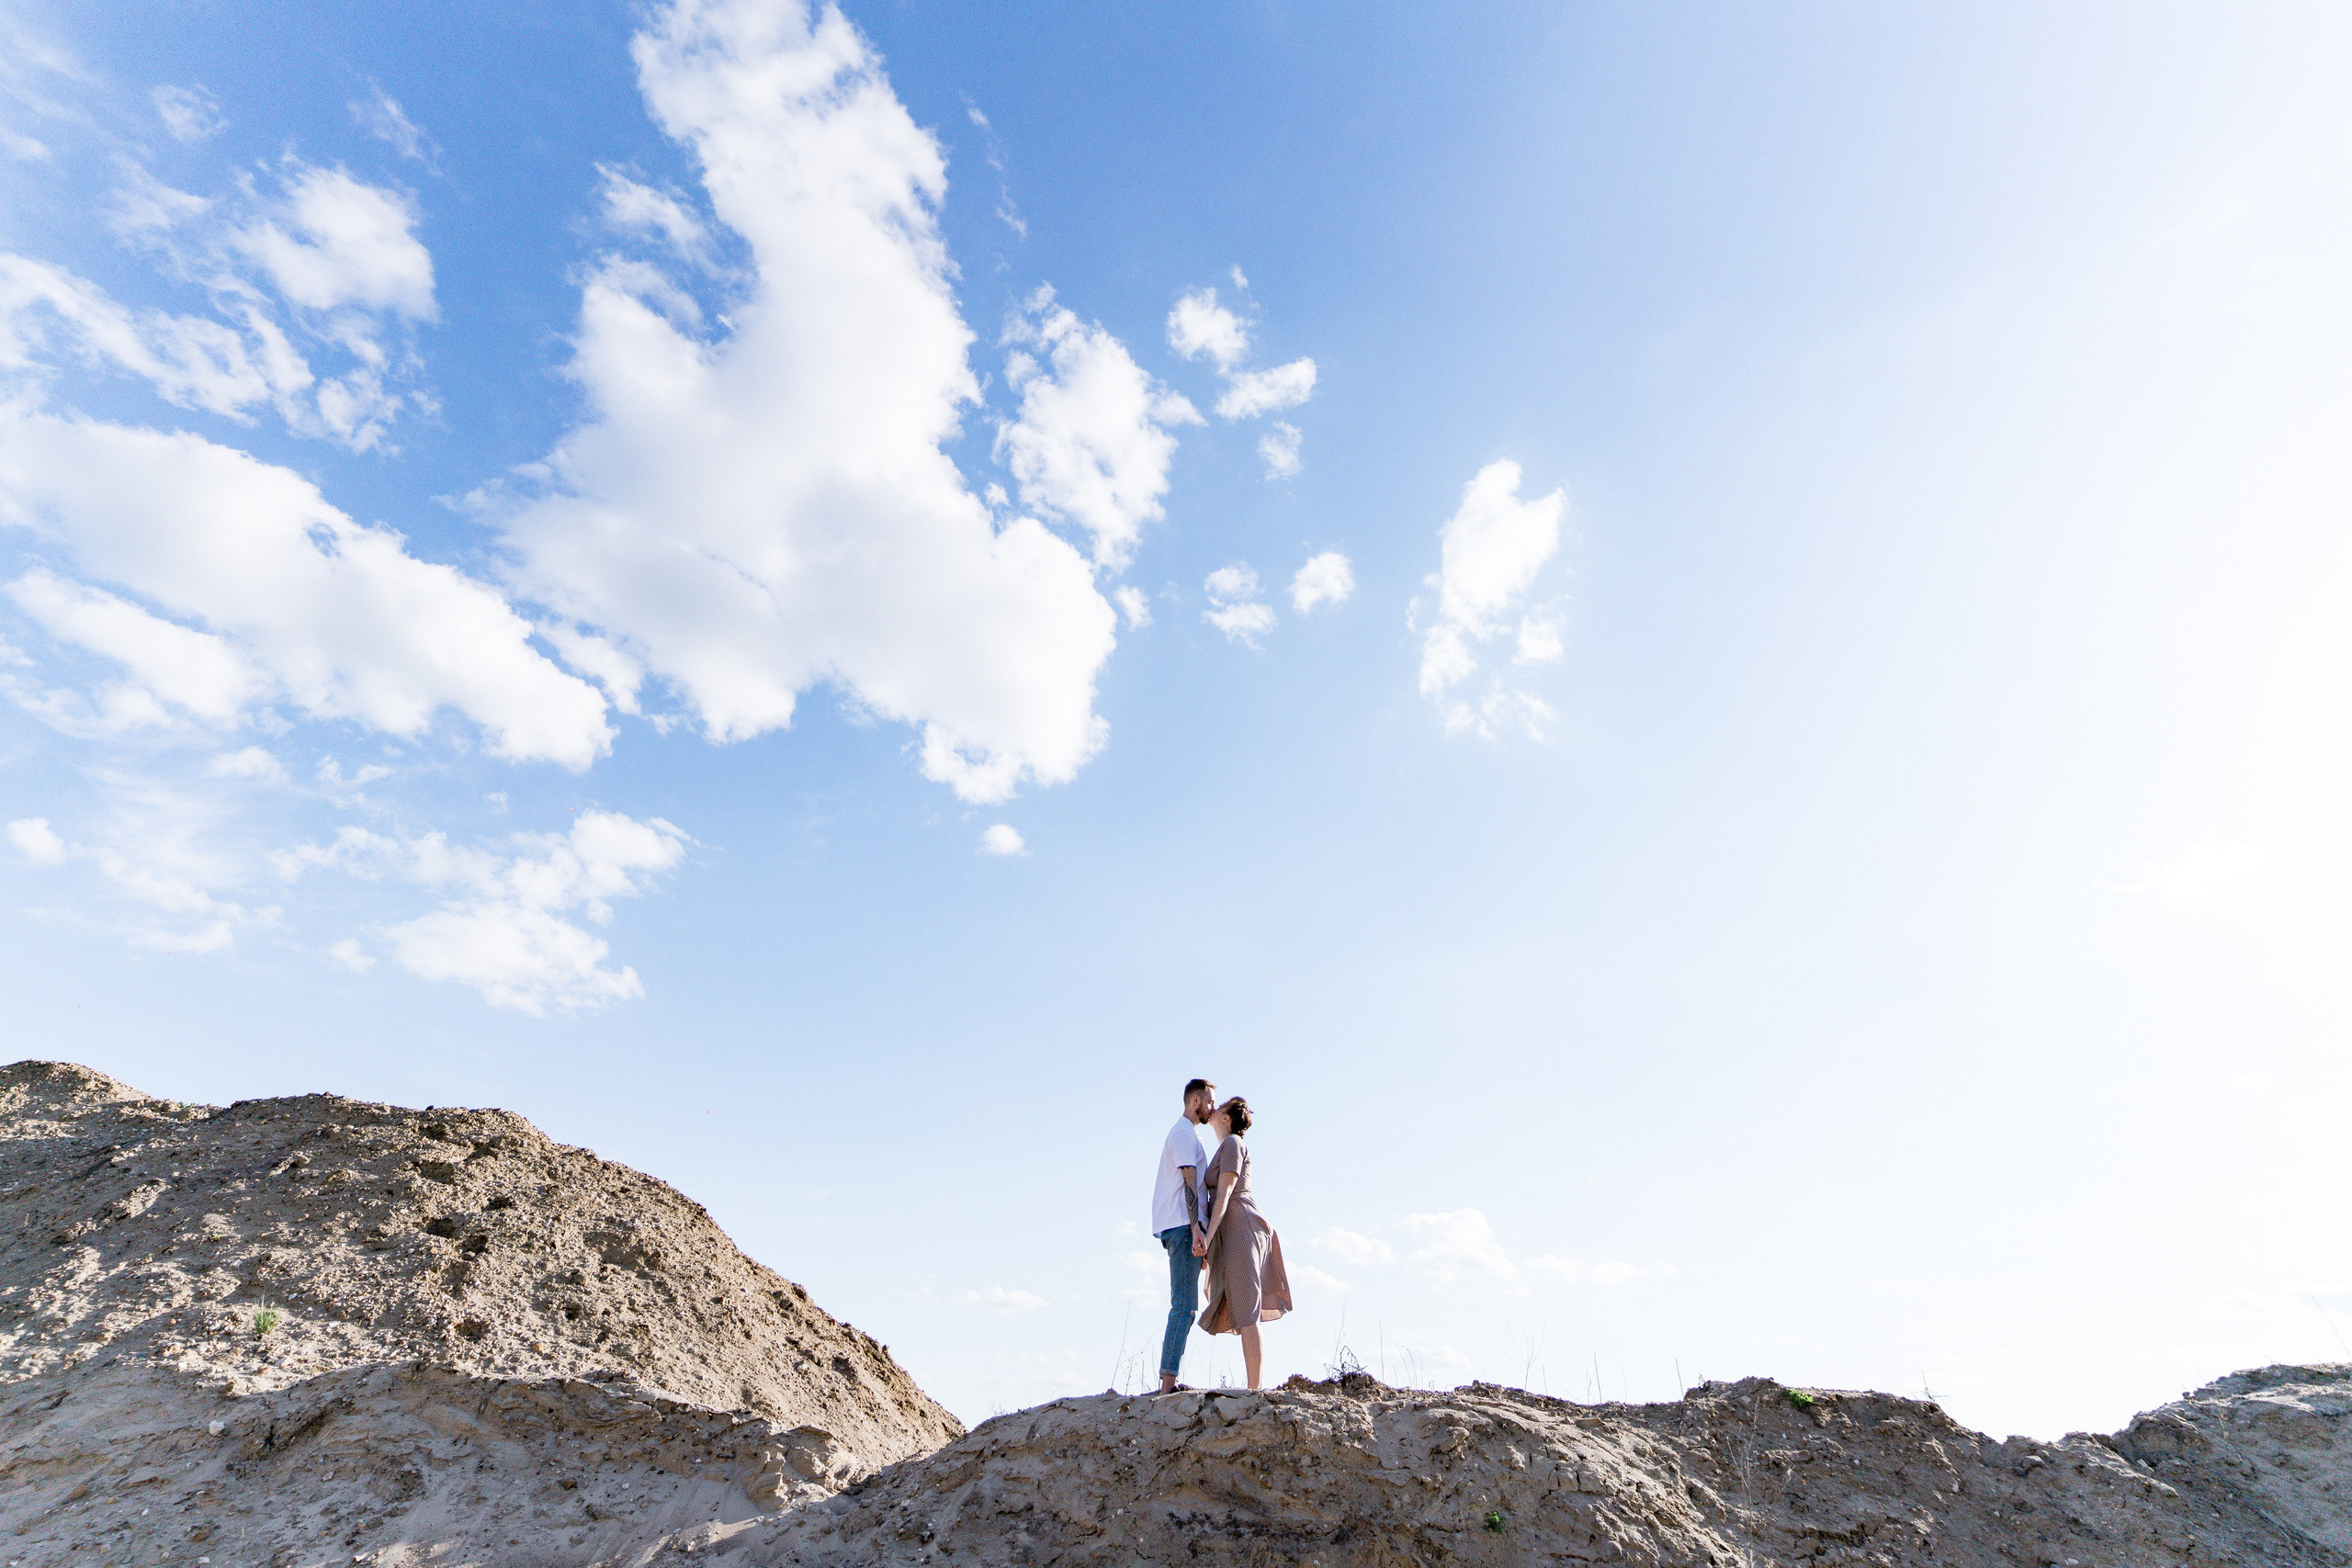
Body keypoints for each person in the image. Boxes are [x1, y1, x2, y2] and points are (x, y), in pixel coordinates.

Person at [1193, 1095, 1292, 1390]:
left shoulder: (1233, 1144)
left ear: (1226, 1118)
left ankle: (1254, 1391)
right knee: (1242, 1306)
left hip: (1241, 1223)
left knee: (1248, 1309)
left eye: (1218, 1106)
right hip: (1231, 1226)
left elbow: (1223, 1195)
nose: (1212, 1108)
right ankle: (1253, 1388)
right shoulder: (1224, 1147)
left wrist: (1207, 1240)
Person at [1149, 1077, 1217, 1394]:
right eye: (1209, 1102)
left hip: (1181, 1225)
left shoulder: (1188, 1134)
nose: (1212, 1107)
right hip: (1181, 1225)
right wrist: (1196, 1229)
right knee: (1184, 1306)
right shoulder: (1182, 1134)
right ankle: (1167, 1385)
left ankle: (1169, 1379)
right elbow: (1190, 1183)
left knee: (1185, 1305)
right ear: (1195, 1102)